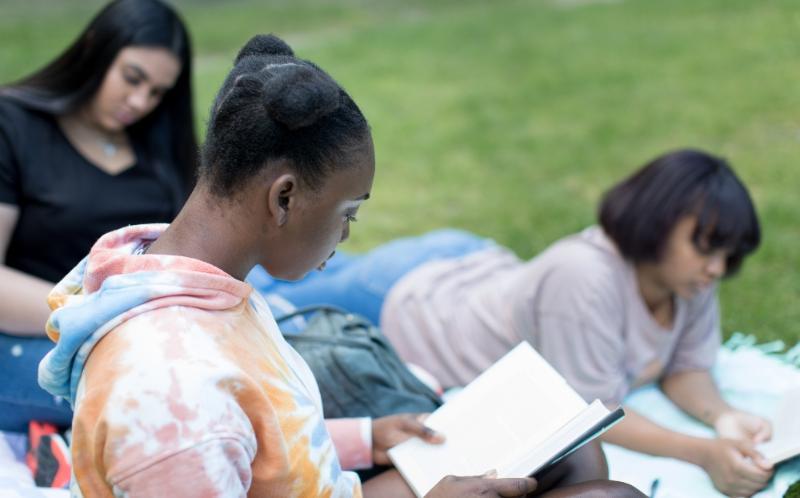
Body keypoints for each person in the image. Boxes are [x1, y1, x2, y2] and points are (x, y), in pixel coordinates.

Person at [36, 33, 643, 497]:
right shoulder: (176, 401)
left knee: (572, 454)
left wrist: (365, 438)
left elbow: (260, 443)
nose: (347, 233)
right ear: (284, 197)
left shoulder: (185, 275)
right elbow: (209, 439)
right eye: (348, 212)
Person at [254, 148, 774, 497]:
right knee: (264, 278)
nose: (717, 269)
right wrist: (704, 453)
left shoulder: (689, 279)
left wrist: (723, 418)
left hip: (472, 265)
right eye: (706, 249)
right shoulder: (585, 276)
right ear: (658, 223)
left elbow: (687, 367)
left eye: (728, 256)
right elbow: (594, 409)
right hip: (408, 297)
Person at [0, 0, 197, 432]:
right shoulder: (13, 125)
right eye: (132, 78)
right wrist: (106, 313)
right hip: (33, 334)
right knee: (175, 397)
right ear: (96, 48)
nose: (140, 101)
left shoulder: (160, 146)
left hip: (156, 326)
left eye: (158, 92)